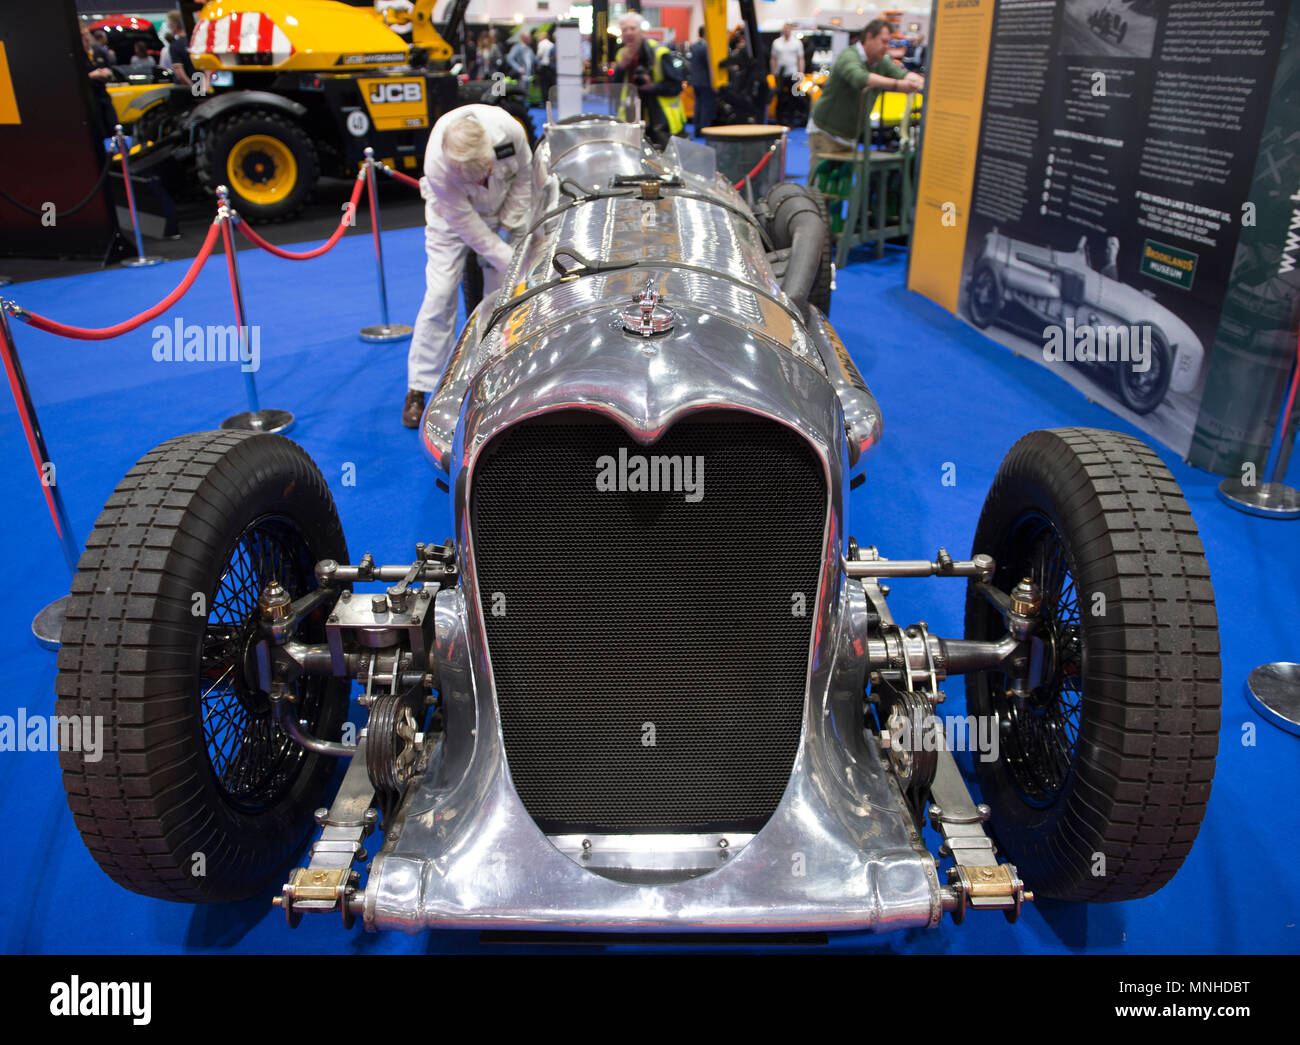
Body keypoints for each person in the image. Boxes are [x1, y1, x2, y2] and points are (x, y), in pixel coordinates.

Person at [403, 105, 535, 428]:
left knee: (503, 295)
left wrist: (510, 224)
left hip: (504, 209)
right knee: (440, 294)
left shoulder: (508, 130)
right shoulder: (438, 164)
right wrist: (506, 257)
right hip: (450, 219)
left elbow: (524, 178)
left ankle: (491, 374)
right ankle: (419, 388)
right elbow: (466, 224)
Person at [806, 19, 923, 184]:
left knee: (841, 191)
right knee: (820, 190)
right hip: (825, 133)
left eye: (888, 42)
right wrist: (898, 85)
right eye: (883, 41)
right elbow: (860, 78)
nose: (886, 47)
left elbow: (901, 74)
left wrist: (919, 82)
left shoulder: (881, 62)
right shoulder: (849, 55)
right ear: (869, 37)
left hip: (849, 137)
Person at [611, 12, 686, 149]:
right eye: (624, 29)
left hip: (661, 122)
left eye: (632, 28)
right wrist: (621, 66)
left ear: (641, 30)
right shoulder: (621, 55)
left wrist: (653, 87)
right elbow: (614, 89)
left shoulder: (659, 52)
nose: (628, 33)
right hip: (632, 120)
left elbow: (676, 86)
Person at [769, 22, 804, 127]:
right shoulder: (776, 43)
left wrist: (800, 73)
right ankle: (779, 120)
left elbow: (800, 59)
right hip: (780, 74)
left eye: (788, 28)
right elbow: (773, 59)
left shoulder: (797, 43)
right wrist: (774, 72)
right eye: (785, 28)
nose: (786, 30)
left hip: (793, 73)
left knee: (793, 97)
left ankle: (791, 120)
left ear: (791, 29)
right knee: (779, 97)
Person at [687, 26, 714, 138]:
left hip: (695, 81)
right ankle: (703, 130)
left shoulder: (693, 46)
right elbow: (709, 65)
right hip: (705, 81)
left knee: (698, 105)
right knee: (705, 107)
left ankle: (697, 129)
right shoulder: (706, 48)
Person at [158, 9, 195, 87]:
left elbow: (180, 74)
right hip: (200, 85)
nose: (168, 27)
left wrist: (192, 88)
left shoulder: (175, 45)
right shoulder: (194, 41)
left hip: (184, 91)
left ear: (174, 24)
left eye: (169, 24)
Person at [505, 29, 535, 95]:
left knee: (526, 95)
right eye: (529, 37)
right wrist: (518, 68)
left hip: (529, 76)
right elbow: (510, 58)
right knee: (520, 95)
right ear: (524, 38)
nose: (531, 39)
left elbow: (534, 60)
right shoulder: (517, 47)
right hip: (520, 76)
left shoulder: (529, 49)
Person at [535, 29, 555, 106]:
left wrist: (537, 64)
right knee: (550, 85)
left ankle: (545, 103)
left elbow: (539, 56)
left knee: (544, 86)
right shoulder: (551, 44)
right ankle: (551, 102)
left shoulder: (541, 44)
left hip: (544, 67)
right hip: (551, 68)